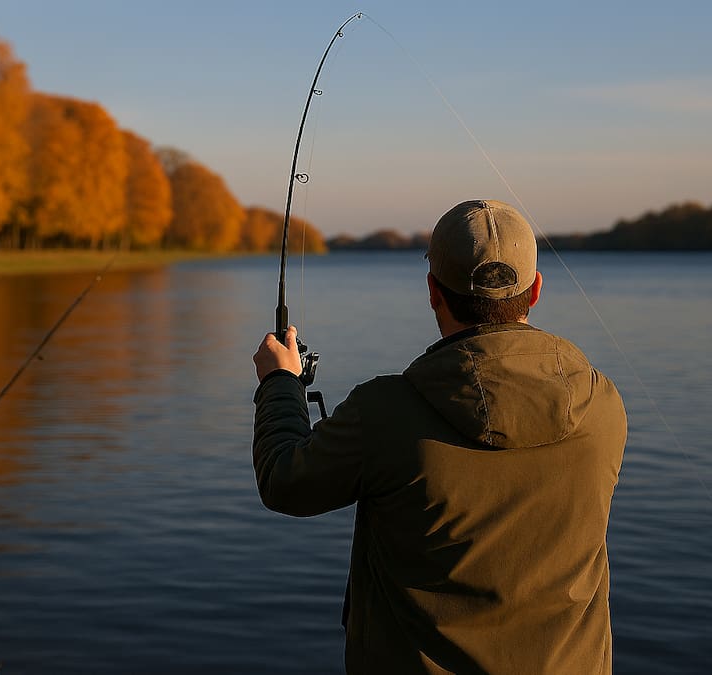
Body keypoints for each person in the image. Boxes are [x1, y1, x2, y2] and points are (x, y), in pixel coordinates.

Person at [252, 199, 627, 674]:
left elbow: (285, 481)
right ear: (535, 291)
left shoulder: (384, 412)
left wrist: (279, 383)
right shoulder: (603, 406)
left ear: (433, 291)